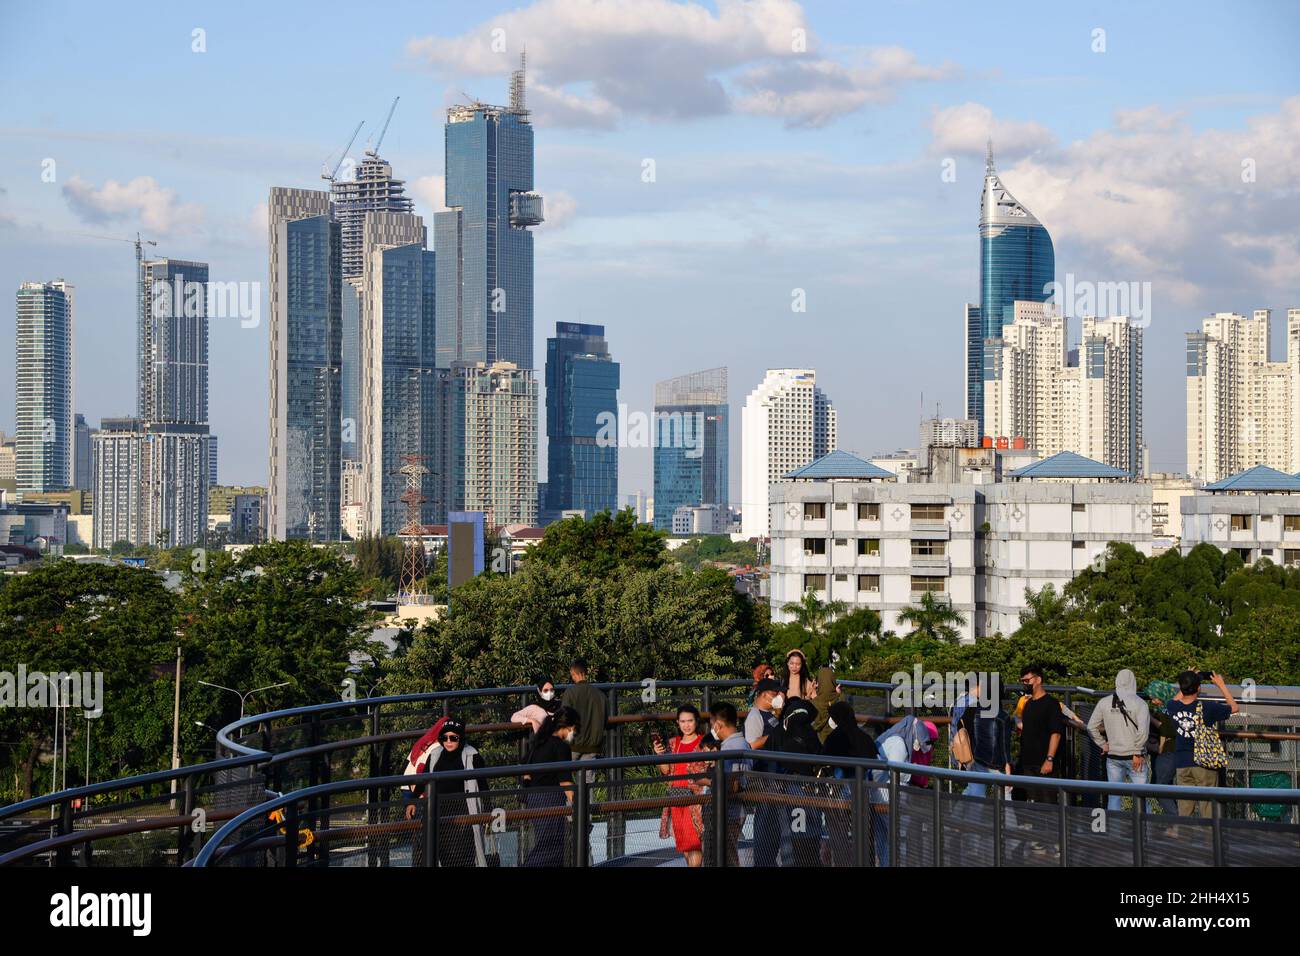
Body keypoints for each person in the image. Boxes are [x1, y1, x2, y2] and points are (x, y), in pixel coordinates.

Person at [401, 716, 490, 867]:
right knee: (443, 855)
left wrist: (488, 810)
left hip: (464, 814)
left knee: (462, 857)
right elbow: (424, 779)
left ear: (460, 737)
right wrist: (413, 801)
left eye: (453, 738)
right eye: (444, 737)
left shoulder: (472, 755)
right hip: (439, 813)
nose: (448, 741)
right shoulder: (435, 754)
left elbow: (483, 785)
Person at [756, 697, 825, 866]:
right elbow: (819, 756)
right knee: (798, 839)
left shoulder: (777, 732)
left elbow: (762, 763)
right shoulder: (808, 732)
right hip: (804, 791)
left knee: (773, 838)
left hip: (773, 790)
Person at [1166, 670, 1238, 817]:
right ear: (1199, 688)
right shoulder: (1208, 707)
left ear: (1181, 687)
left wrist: (1187, 678)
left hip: (1182, 763)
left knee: (1185, 810)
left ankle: (1184, 831)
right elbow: (1234, 707)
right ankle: (1209, 832)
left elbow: (1177, 698)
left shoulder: (1172, 706)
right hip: (1204, 761)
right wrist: (1221, 685)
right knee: (1208, 808)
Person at [521, 706, 580, 867]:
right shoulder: (561, 747)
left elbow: (525, 768)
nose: (575, 733)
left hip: (534, 798)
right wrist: (579, 805)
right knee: (552, 846)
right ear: (568, 726)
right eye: (575, 728)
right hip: (550, 799)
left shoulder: (540, 742)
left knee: (547, 844)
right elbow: (565, 781)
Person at [1086, 669, 1151, 812]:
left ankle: (1114, 825)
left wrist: (1103, 744)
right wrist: (1137, 751)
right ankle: (1145, 825)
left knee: (1114, 797)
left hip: (1113, 756)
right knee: (1141, 797)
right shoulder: (1140, 703)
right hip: (1135, 756)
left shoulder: (1104, 702)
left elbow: (1091, 727)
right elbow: (1143, 732)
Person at [823, 700, 878, 865]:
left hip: (839, 794)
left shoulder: (833, 738)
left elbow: (824, 762)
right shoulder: (865, 738)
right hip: (863, 793)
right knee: (864, 834)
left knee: (839, 834)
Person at [654, 704, 706, 866]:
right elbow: (666, 771)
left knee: (695, 843)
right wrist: (660, 754)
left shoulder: (704, 742)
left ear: (696, 721)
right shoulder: (673, 743)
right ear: (677, 722)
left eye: (690, 721)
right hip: (676, 796)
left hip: (696, 799)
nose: (686, 725)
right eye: (682, 721)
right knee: (684, 843)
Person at [743, 677, 784, 866]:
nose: (777, 697)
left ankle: (769, 860)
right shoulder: (755, 715)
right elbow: (752, 744)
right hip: (763, 776)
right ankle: (762, 861)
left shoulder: (770, 714)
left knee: (773, 822)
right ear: (763, 695)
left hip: (773, 774)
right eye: (774, 694)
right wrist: (775, 736)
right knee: (765, 820)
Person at [950, 681, 1012, 799]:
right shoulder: (1002, 715)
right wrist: (1008, 766)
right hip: (995, 762)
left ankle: (953, 811)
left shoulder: (972, 710)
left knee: (975, 796)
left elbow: (960, 727)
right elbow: (1004, 745)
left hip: (975, 760)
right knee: (1005, 796)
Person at [708, 701, 752, 866]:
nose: (712, 729)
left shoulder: (730, 748)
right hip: (736, 810)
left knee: (727, 855)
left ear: (718, 725)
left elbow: (730, 784)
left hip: (730, 811)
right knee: (728, 853)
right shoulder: (742, 743)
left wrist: (708, 777)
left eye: (712, 724)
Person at [1015, 664, 1064, 803]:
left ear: (1038, 679)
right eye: (1023, 681)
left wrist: (1049, 759)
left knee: (1048, 804)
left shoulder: (1051, 704)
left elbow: (1056, 733)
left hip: (1044, 764)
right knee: (1032, 805)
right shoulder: (1028, 704)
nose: (1025, 684)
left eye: (1027, 680)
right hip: (1028, 764)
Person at [1145, 679, 1179, 814]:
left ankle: (1176, 818)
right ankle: (1175, 818)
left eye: (1155, 698)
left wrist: (1150, 718)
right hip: (1167, 752)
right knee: (1165, 786)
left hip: (1167, 751)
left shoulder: (1166, 711)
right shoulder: (1170, 708)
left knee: (1159, 787)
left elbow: (1166, 730)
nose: (1153, 701)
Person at [810, 666, 839, 742]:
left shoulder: (814, 703)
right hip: (834, 742)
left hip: (817, 742)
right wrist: (839, 694)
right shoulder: (838, 701)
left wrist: (812, 692)